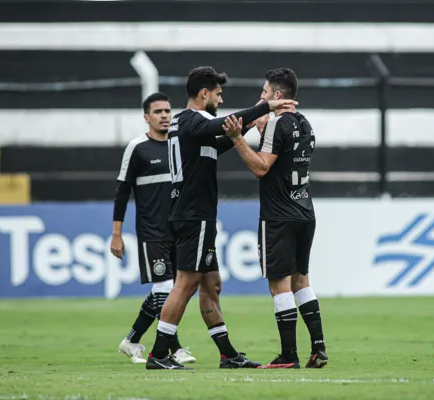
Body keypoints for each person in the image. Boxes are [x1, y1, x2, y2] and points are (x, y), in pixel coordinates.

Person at [145, 66, 297, 370]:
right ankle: (159, 354)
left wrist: (249, 128)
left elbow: (220, 141)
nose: (221, 98)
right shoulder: (193, 119)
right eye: (218, 93)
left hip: (192, 214)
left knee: (211, 284)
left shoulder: (186, 124)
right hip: (194, 215)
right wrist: (266, 106)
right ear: (204, 94)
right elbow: (225, 124)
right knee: (185, 284)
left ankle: (227, 354)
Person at [222, 68, 328, 369]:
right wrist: (262, 130)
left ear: (277, 96)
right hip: (304, 211)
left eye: (265, 93)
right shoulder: (304, 123)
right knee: (301, 281)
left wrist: (236, 138)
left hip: (278, 216)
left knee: (279, 285)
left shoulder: (276, 125)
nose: (261, 98)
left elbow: (261, 167)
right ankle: (318, 347)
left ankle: (288, 355)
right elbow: (283, 156)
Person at [111, 92, 196, 365]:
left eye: (168, 111)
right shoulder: (137, 148)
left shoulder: (178, 145)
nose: (164, 116)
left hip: (178, 231)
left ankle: (132, 340)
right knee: (165, 288)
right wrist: (117, 234)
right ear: (146, 117)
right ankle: (174, 348)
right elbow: (122, 192)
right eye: (158, 112)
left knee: (166, 290)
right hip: (151, 232)